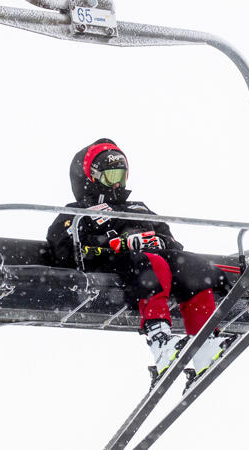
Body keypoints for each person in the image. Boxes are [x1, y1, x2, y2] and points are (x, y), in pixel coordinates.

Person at [46, 138, 232, 388]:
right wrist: (115, 244)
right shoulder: (79, 212)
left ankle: (205, 343)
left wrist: (160, 242)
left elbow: (170, 239)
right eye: (110, 176)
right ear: (93, 176)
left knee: (192, 266)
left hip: (149, 259)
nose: (117, 183)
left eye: (120, 176)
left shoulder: (138, 208)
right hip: (117, 264)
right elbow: (64, 249)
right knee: (152, 263)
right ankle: (160, 340)